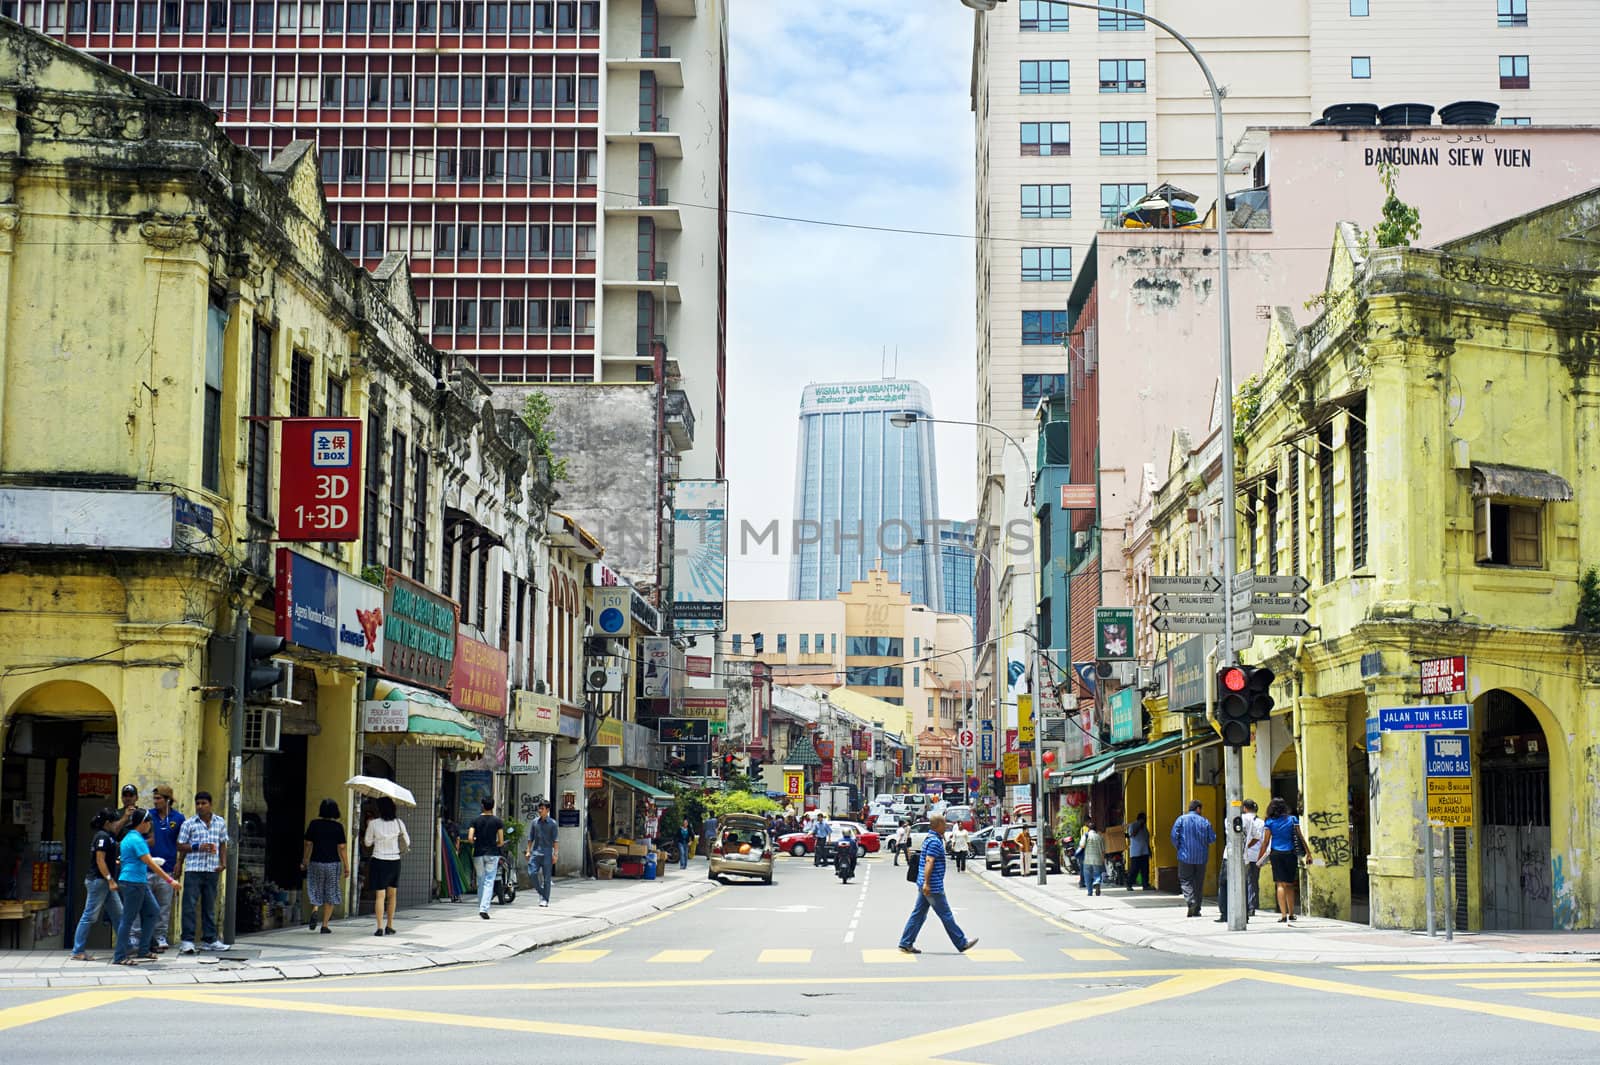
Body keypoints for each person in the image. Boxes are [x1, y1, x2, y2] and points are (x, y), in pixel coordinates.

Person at [898, 814, 979, 956]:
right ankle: (962, 943)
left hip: (924, 882)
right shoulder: (934, 841)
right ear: (938, 825)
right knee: (946, 915)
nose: (946, 826)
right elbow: (929, 861)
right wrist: (928, 884)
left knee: (919, 914)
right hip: (932, 885)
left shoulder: (930, 838)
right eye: (943, 824)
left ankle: (906, 943)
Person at [113, 809, 180, 965]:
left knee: (152, 911)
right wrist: (171, 881)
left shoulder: (129, 837)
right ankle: (120, 956)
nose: (150, 825)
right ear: (142, 823)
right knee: (128, 919)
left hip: (137, 881)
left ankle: (143, 949)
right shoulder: (136, 840)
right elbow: (149, 862)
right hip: (133, 882)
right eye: (149, 822)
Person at [176, 790, 229, 953]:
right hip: (194, 869)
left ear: (210, 805)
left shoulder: (220, 822)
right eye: (198, 803)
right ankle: (187, 940)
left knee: (209, 906)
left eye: (203, 803)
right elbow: (180, 845)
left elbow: (222, 844)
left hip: (212, 869)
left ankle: (210, 939)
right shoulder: (189, 824)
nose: (200, 806)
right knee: (189, 905)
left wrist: (223, 863)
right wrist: (196, 847)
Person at [69, 808, 124, 961]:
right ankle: (77, 950)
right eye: (115, 822)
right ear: (108, 823)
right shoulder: (102, 837)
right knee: (89, 915)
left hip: (104, 882)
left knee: (119, 914)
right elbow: (100, 860)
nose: (117, 824)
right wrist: (110, 879)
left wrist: (115, 863)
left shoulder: (109, 837)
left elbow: (105, 859)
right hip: (99, 882)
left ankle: (125, 946)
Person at [363, 795, 409, 936]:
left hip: (378, 860)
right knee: (392, 895)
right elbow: (407, 842)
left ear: (379, 809)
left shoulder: (373, 823)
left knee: (380, 895)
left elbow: (367, 843)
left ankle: (379, 927)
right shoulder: (399, 823)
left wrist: (368, 828)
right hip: (394, 861)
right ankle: (390, 925)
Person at [300, 798, 348, 934]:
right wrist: (346, 866)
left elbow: (308, 844)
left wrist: (305, 860)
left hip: (316, 862)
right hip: (333, 863)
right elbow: (342, 847)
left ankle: (315, 908)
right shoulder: (338, 827)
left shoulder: (314, 824)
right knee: (330, 892)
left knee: (316, 887)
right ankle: (325, 925)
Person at [1216, 798, 1268, 922]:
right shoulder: (1252, 821)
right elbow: (1257, 836)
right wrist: (1246, 846)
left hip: (1229, 856)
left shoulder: (1228, 819)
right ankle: (1245, 913)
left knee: (1224, 884)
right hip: (1244, 857)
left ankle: (1224, 914)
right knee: (1243, 885)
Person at [1263, 797, 1312, 923]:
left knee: (1280, 884)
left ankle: (1283, 915)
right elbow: (1300, 836)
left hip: (1276, 854)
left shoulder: (1269, 822)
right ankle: (1291, 913)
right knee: (1290, 884)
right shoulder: (1292, 819)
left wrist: (1260, 856)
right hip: (1290, 854)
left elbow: (1266, 841)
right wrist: (1308, 853)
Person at [1170, 799, 1216, 918]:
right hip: (1201, 858)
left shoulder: (1181, 820)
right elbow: (1212, 839)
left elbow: (1174, 836)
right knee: (1198, 884)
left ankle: (1191, 901)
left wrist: (1179, 848)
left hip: (1185, 856)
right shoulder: (1205, 821)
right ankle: (1197, 909)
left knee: (1185, 880)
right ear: (1198, 809)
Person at [466, 797, 505, 920]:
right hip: (493, 853)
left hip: (478, 853)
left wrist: (476, 842)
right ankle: (484, 908)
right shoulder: (497, 821)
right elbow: (501, 841)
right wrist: (495, 844)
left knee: (481, 880)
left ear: (482, 805)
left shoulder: (475, 820)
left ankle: (481, 906)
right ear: (493, 806)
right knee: (489, 880)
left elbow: (470, 838)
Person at [524, 799, 560, 907]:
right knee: (532, 873)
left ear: (547, 810)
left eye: (542, 808)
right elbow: (530, 838)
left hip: (547, 853)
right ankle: (541, 892)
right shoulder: (535, 822)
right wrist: (528, 851)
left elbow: (556, 841)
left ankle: (545, 899)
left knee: (547, 878)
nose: (540, 810)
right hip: (536, 852)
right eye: (539, 808)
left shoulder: (553, 824)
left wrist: (555, 854)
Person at [1125, 812, 1153, 891]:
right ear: (1140, 819)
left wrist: (1149, 850)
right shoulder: (1133, 825)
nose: (1145, 820)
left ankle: (1145, 885)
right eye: (1144, 819)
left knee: (1145, 870)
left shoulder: (1145, 828)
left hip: (1144, 852)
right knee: (1134, 869)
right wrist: (1139, 826)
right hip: (1136, 852)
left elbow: (1146, 840)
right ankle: (1129, 884)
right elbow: (1132, 834)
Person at [1080, 820, 1106, 896]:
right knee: (1097, 874)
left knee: (1087, 876)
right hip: (1097, 860)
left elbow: (1082, 845)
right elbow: (1103, 851)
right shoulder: (1100, 837)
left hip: (1087, 860)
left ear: (1088, 829)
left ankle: (1089, 892)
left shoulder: (1086, 835)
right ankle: (1097, 882)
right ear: (1096, 829)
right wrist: (1102, 860)